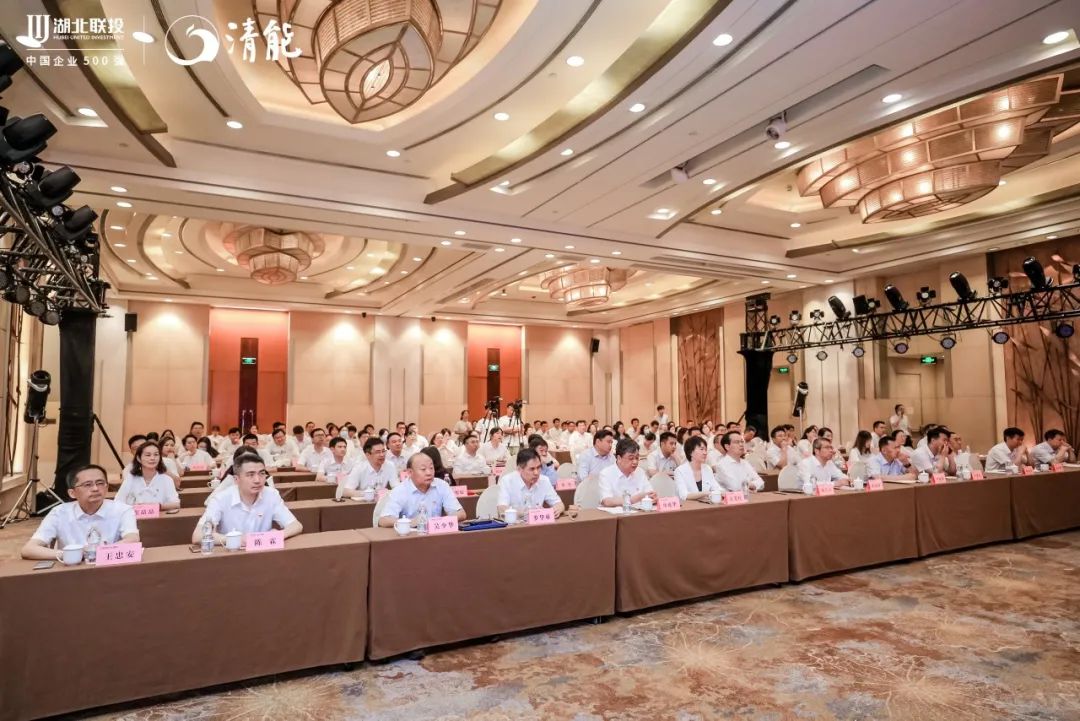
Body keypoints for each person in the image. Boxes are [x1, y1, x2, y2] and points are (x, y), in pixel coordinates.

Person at [21, 464, 139, 560]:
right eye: (87, 485)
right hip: (71, 571)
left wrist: (97, 553)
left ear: (107, 487)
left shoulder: (123, 510)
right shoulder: (59, 513)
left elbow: (132, 540)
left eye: (100, 483)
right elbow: (29, 549)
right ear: (72, 493)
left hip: (109, 569)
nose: (95, 489)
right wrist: (70, 555)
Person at [192, 452, 302, 544]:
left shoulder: (271, 495)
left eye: (262, 473)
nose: (257, 480)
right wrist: (235, 539)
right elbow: (197, 536)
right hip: (232, 555)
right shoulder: (221, 499)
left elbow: (296, 525)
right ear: (236, 479)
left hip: (263, 553)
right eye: (250, 475)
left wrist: (280, 535)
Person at [378, 452, 466, 528]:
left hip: (436, 534)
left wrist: (440, 521)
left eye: (431, 468)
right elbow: (384, 520)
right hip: (410, 536)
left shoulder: (442, 485)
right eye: (423, 469)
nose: (429, 473)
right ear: (410, 472)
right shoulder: (400, 490)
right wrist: (410, 522)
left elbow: (460, 513)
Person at [497, 449, 565, 518]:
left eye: (538, 467)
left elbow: (559, 504)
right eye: (532, 469)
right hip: (515, 523)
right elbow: (501, 509)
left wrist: (556, 510)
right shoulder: (507, 481)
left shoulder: (544, 480)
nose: (536, 473)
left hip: (538, 523)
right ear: (519, 469)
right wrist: (526, 513)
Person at [115, 441, 180, 510]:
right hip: (133, 515)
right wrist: (134, 508)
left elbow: (176, 504)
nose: (152, 458)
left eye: (156, 455)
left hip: (158, 516)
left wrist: (157, 506)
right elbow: (118, 501)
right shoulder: (131, 478)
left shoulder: (166, 479)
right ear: (139, 458)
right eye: (148, 455)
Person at [598, 439, 657, 508]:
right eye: (631, 458)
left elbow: (650, 493)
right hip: (615, 513)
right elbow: (607, 501)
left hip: (639, 512)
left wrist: (653, 497)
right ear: (619, 458)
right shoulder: (606, 474)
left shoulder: (640, 471)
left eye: (637, 458)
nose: (635, 462)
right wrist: (634, 499)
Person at [673, 436, 720, 501]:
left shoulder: (707, 468)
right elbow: (684, 495)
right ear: (690, 452)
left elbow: (716, 488)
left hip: (706, 505)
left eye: (705, 450)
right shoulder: (680, 471)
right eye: (701, 449)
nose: (705, 453)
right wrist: (706, 493)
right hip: (688, 506)